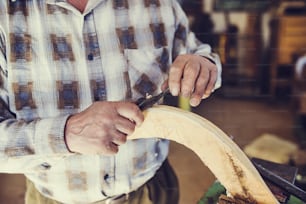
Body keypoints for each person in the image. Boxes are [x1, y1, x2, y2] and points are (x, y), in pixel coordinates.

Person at [0, 0, 221, 203]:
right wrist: (67, 134)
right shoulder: (6, 14)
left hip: (151, 189)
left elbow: (196, 53)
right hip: (54, 196)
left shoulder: (158, 3)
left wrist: (202, 64)